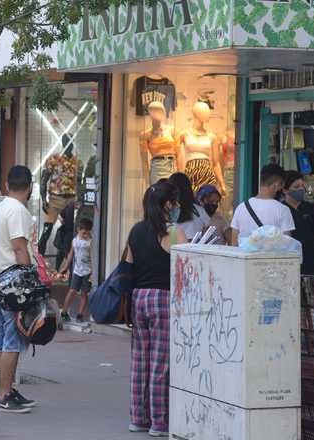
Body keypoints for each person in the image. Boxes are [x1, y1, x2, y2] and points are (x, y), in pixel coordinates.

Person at [126, 181, 186, 437]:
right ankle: (159, 422)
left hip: (139, 297)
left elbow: (127, 266)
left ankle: (139, 417)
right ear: (168, 205)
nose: (178, 207)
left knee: (140, 361)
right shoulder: (174, 232)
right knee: (161, 364)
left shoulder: (136, 230)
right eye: (175, 202)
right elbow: (186, 267)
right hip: (163, 298)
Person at [0, 165, 37, 413]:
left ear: (7, 184)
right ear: (30, 187)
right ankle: (5, 394)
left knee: (1, 341)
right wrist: (29, 282)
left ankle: (3, 390)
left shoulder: (0, 208)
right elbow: (20, 248)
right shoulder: (18, 211)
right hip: (14, 285)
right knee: (12, 341)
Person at [229, 164, 295, 245]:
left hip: (244, 257)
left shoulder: (241, 207)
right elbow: (286, 245)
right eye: (281, 186)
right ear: (276, 185)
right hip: (270, 257)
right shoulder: (283, 210)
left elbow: (234, 243)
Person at [281, 171, 314, 275]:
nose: (301, 189)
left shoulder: (309, 208)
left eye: (302, 186)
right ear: (285, 190)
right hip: (290, 263)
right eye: (296, 187)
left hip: (310, 262)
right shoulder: (281, 210)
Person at [56, 217, 94, 324]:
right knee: (72, 290)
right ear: (78, 230)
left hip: (87, 271)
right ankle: (64, 312)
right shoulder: (75, 240)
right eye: (83, 233)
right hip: (77, 271)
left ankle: (80, 314)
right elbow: (70, 255)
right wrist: (65, 267)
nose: (85, 235)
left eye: (87, 233)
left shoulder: (90, 242)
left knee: (84, 293)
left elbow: (92, 257)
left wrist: (93, 273)